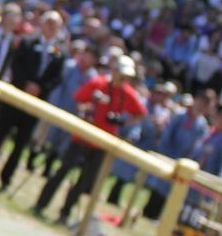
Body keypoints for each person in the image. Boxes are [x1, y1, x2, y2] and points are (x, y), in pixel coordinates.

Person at [33, 56, 147, 224]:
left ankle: (65, 213)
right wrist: (88, 109)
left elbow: (141, 114)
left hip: (102, 143)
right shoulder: (99, 83)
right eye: (122, 74)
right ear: (114, 71)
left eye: (127, 76)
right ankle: (40, 205)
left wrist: (122, 121)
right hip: (82, 137)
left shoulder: (128, 94)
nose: (124, 79)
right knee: (63, 170)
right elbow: (79, 100)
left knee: (85, 181)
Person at [0, 10, 65, 190]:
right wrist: (25, 83)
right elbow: (16, 64)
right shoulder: (27, 42)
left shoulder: (59, 53)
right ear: (42, 23)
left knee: (20, 144)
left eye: (55, 25)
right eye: (49, 23)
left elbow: (56, 78)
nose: (51, 28)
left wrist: (40, 88)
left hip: (35, 104)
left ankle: (6, 179)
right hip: (16, 97)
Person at [143, 89, 214, 220]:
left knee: (172, 192)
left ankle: (158, 217)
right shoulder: (181, 115)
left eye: (205, 104)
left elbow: (198, 147)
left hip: (184, 163)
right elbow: (167, 135)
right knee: (160, 186)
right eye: (201, 101)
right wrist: (166, 154)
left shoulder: (202, 124)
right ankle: (148, 212)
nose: (201, 106)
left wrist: (192, 161)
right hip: (169, 156)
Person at [35, 40, 99, 177]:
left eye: (92, 57)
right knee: (46, 137)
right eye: (88, 54)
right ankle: (32, 159)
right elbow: (59, 87)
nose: (89, 58)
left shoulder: (93, 77)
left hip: (74, 113)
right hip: (58, 107)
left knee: (61, 143)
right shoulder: (70, 66)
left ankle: (48, 166)